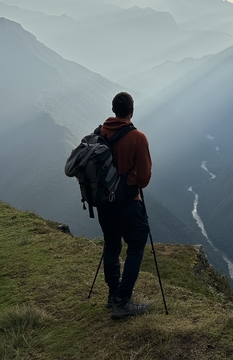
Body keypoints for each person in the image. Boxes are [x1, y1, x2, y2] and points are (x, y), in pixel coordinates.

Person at [97, 92, 152, 319]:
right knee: (137, 245)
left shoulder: (100, 132)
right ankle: (123, 300)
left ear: (113, 110)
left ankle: (113, 295)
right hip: (128, 203)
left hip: (103, 204)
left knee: (111, 246)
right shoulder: (138, 137)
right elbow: (145, 179)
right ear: (132, 110)